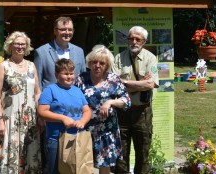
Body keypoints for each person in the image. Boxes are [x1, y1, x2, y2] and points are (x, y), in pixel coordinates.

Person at [75, 45, 131, 174]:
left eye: (102, 63)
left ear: (107, 65)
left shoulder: (113, 79)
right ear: (89, 63)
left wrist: (110, 102)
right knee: (84, 163)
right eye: (94, 62)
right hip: (85, 128)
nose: (97, 65)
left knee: (104, 166)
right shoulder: (81, 78)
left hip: (106, 130)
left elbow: (126, 100)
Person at [112, 26, 159, 174]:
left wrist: (125, 83)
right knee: (121, 153)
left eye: (137, 39)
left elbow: (150, 84)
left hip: (143, 112)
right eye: (131, 38)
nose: (134, 41)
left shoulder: (151, 58)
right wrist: (140, 85)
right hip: (122, 112)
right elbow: (114, 86)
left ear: (144, 41)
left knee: (143, 152)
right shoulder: (118, 58)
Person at [0, 31, 42, 173]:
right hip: (9, 119)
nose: (20, 47)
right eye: (17, 44)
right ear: (10, 46)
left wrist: (40, 116)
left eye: (23, 44)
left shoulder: (32, 66)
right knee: (9, 155)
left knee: (30, 154)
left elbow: (37, 92)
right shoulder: (3, 66)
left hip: (30, 120)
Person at [38, 58, 92, 174]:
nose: (69, 77)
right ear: (56, 74)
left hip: (77, 138)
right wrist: (63, 118)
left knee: (76, 170)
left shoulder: (77, 91)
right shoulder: (50, 90)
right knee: (54, 170)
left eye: (71, 73)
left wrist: (82, 121)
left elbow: (87, 110)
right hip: (56, 139)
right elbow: (42, 111)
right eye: (65, 73)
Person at [34, 16, 86, 90]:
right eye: (63, 30)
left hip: (74, 98)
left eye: (70, 30)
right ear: (55, 31)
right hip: (51, 99)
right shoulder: (41, 52)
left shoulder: (79, 51)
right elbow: (37, 81)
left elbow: (83, 78)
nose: (67, 32)